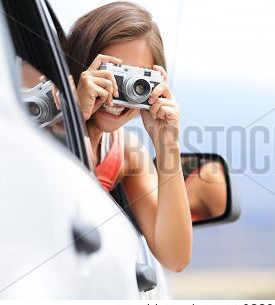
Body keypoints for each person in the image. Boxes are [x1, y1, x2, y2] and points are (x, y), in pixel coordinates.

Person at [64, 2, 191, 272]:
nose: (118, 95)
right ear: (80, 65)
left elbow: (174, 256)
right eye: (110, 74)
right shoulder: (41, 112)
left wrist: (166, 142)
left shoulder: (126, 154)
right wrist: (72, 115)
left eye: (137, 82)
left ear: (156, 87)